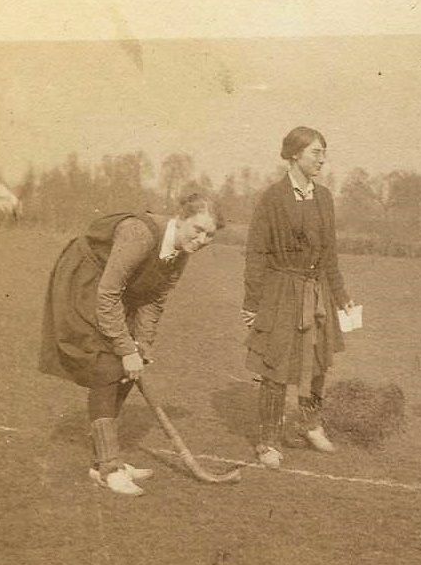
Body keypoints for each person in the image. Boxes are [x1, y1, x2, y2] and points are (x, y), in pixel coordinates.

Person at [39, 192, 222, 495]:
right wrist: (125, 348)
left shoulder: (181, 251)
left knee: (128, 366)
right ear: (180, 219)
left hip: (115, 290)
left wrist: (142, 345)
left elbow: (155, 299)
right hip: (85, 281)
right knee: (108, 364)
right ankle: (108, 467)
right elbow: (107, 293)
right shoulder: (140, 234)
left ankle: (103, 461)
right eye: (197, 229)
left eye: (210, 235)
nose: (202, 239)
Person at [241, 126, 354, 469]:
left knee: (317, 363)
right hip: (280, 292)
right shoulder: (272, 198)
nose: (322, 159)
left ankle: (310, 424)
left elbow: (329, 254)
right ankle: (268, 441)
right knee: (276, 366)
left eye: (324, 152)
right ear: (294, 155)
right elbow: (256, 253)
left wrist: (341, 295)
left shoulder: (324, 198)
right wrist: (252, 303)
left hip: (316, 292)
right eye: (315, 152)